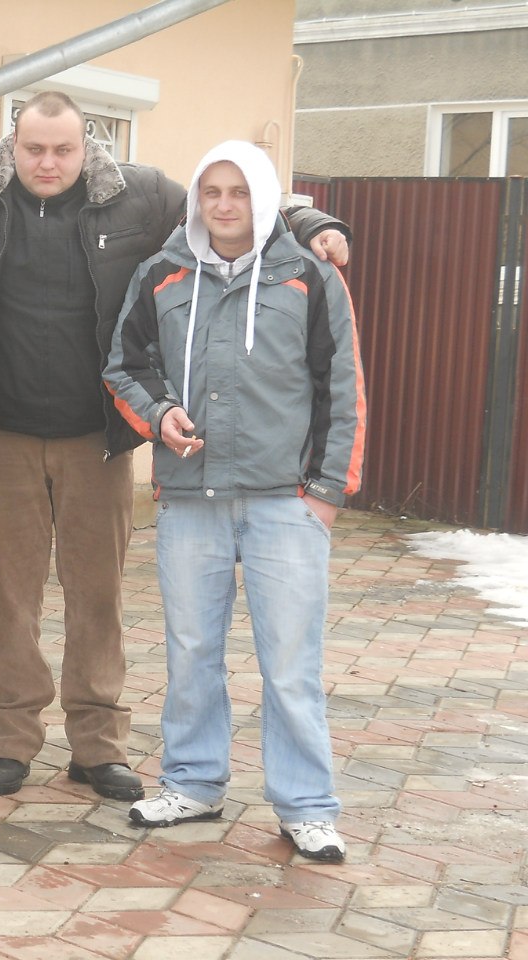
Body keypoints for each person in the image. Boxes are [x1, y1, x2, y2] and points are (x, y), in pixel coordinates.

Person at [0, 92, 350, 802]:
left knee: (97, 598)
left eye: (63, 150)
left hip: (96, 439)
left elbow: (227, 200)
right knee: (9, 599)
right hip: (0, 433)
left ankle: (98, 745)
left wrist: (312, 223)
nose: (48, 162)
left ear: (87, 147)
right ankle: (10, 740)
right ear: (12, 145)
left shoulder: (140, 196)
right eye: (35, 148)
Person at [105, 140, 366, 862]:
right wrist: (159, 414)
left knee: (290, 663)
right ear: (197, 199)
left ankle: (306, 806)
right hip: (191, 499)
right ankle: (193, 782)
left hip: (287, 502)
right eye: (212, 192)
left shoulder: (309, 275)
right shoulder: (160, 274)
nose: (225, 205)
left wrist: (327, 493)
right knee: (192, 651)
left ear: (265, 198)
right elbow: (125, 365)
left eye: (240, 191)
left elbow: (342, 386)